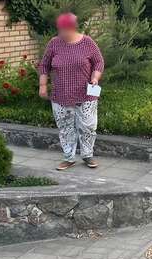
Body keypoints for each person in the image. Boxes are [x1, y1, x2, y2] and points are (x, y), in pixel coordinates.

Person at [39, 12, 104, 170]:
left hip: (86, 94)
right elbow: (44, 65)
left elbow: (99, 62)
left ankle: (88, 155)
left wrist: (95, 78)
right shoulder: (54, 43)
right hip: (61, 95)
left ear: (73, 28)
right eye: (60, 29)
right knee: (65, 127)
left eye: (65, 29)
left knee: (88, 126)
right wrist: (42, 85)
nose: (62, 32)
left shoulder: (87, 42)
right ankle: (69, 158)